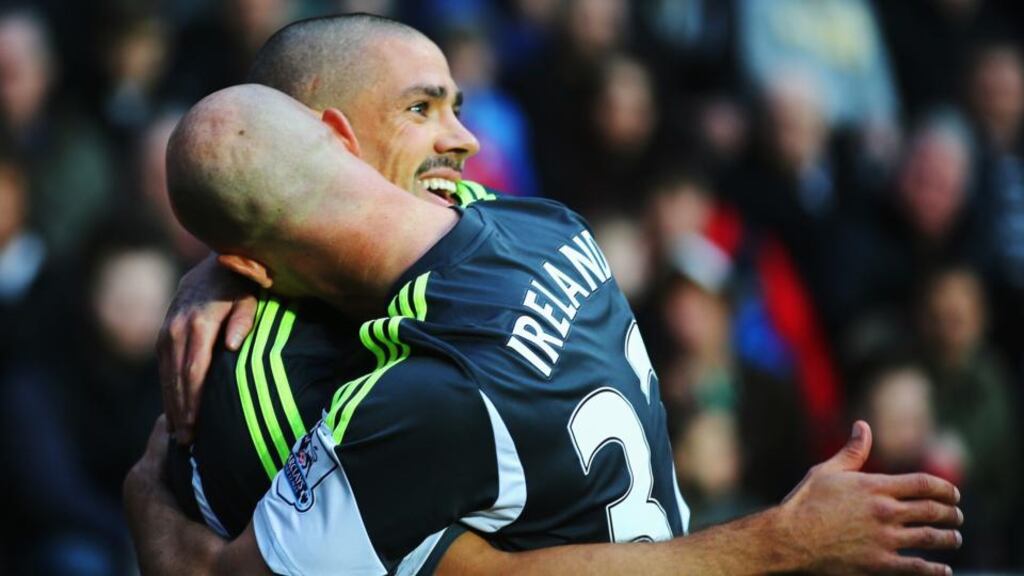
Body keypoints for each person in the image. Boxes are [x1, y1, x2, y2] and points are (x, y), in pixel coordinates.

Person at [125, 83, 964, 576]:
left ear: (252, 263)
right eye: (426, 107)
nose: (459, 138)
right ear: (340, 138)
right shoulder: (546, 222)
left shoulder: (407, 403)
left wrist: (144, 498)